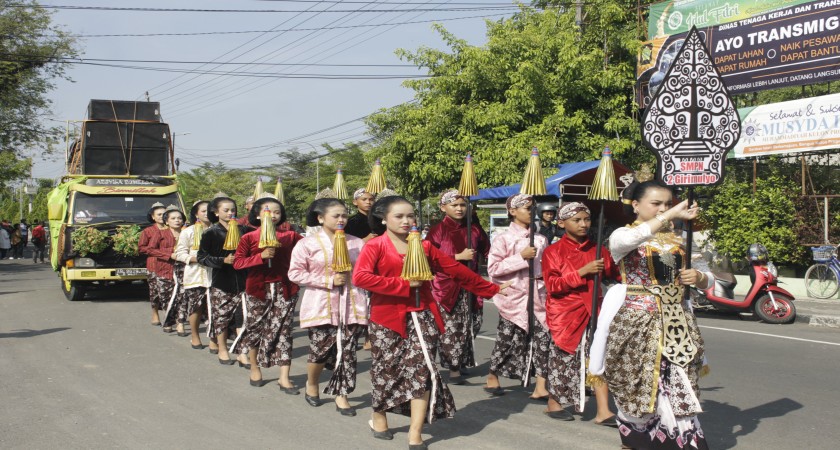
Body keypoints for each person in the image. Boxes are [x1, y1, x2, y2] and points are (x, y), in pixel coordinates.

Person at [353, 195, 509, 449]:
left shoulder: (424, 246)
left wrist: (490, 288)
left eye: (410, 215)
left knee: (423, 370)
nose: (406, 221)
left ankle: (415, 431)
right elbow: (361, 277)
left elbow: (455, 270)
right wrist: (403, 284)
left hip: (423, 314)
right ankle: (379, 415)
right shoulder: (375, 246)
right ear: (383, 219)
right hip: (387, 318)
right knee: (386, 370)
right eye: (399, 216)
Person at [589, 178, 711, 450]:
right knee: (637, 382)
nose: (663, 209)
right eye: (656, 203)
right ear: (635, 205)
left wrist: (699, 277)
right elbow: (633, 239)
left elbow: (708, 275)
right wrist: (671, 214)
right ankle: (637, 440)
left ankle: (681, 440)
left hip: (677, 323)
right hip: (637, 321)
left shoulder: (681, 238)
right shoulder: (622, 235)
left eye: (667, 204)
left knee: (680, 380)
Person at [288, 198, 368, 415]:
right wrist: (328, 280)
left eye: (344, 215)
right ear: (321, 218)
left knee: (348, 351)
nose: (341, 219)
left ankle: (342, 394)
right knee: (320, 351)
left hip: (352, 304)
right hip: (321, 305)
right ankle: (312, 383)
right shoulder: (307, 244)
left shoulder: (357, 243)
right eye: (336, 215)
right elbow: (295, 273)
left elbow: (366, 271)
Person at [541, 202, 619, 423]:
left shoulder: (599, 250)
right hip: (565, 313)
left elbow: (616, 274)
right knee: (563, 360)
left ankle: (603, 410)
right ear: (562, 223)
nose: (583, 224)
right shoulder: (552, 251)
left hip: (595, 311)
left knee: (599, 357)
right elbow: (553, 285)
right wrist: (583, 272)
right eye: (577, 220)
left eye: (587, 219)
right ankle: (554, 403)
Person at [231, 194, 303, 393]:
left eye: (277, 212)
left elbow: (309, 250)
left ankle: (284, 377)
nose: (273, 215)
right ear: (257, 215)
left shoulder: (291, 236)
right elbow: (238, 263)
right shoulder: (248, 237)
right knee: (255, 328)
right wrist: (260, 256)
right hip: (258, 289)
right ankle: (255, 368)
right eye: (268, 212)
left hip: (285, 288)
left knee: (284, 330)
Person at [484, 193, 550, 399]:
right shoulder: (502, 239)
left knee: (543, 338)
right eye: (527, 208)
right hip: (513, 298)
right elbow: (493, 269)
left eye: (533, 208)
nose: (532, 212)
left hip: (538, 296)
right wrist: (520, 257)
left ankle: (541, 385)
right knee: (506, 339)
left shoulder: (541, 239)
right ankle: (492, 374)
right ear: (512, 211)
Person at [424, 189, 490, 385]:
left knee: (472, 323)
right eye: (454, 205)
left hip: (471, 285)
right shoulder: (437, 231)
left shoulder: (475, 229)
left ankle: (460, 361)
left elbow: (488, 251)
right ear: (443, 207)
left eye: (462, 205)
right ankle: (453, 370)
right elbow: (426, 259)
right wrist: (457, 257)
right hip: (446, 287)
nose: (459, 209)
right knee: (451, 328)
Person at [197, 195, 248, 365]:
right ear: (216, 212)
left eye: (233, 210)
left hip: (243, 280)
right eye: (226, 210)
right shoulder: (210, 233)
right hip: (221, 282)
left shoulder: (244, 230)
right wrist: (222, 260)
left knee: (243, 317)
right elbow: (202, 257)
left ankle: (242, 352)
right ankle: (223, 348)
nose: (230, 213)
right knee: (222, 317)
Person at [173, 201, 216, 352]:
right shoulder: (188, 231)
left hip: (216, 274)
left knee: (215, 309)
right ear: (196, 213)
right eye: (203, 211)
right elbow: (180, 253)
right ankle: (195, 335)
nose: (206, 213)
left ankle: (213, 339)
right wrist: (195, 258)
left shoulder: (218, 230)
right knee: (196, 307)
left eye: (209, 210)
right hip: (195, 274)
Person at [146, 206, 187, 334]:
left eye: (179, 218)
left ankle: (180, 323)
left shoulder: (188, 232)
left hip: (184, 269)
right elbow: (150, 250)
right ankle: (168, 321)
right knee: (166, 297)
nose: (177, 220)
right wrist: (169, 254)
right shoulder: (160, 233)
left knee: (182, 297)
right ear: (167, 221)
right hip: (164, 269)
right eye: (173, 218)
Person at [138, 202, 167, 326]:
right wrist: (159, 252)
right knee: (155, 292)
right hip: (154, 265)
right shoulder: (148, 231)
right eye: (159, 214)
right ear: (153, 217)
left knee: (169, 292)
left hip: (170, 265)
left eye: (164, 214)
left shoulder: (173, 229)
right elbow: (142, 248)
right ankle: (155, 313)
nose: (162, 217)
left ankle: (170, 316)